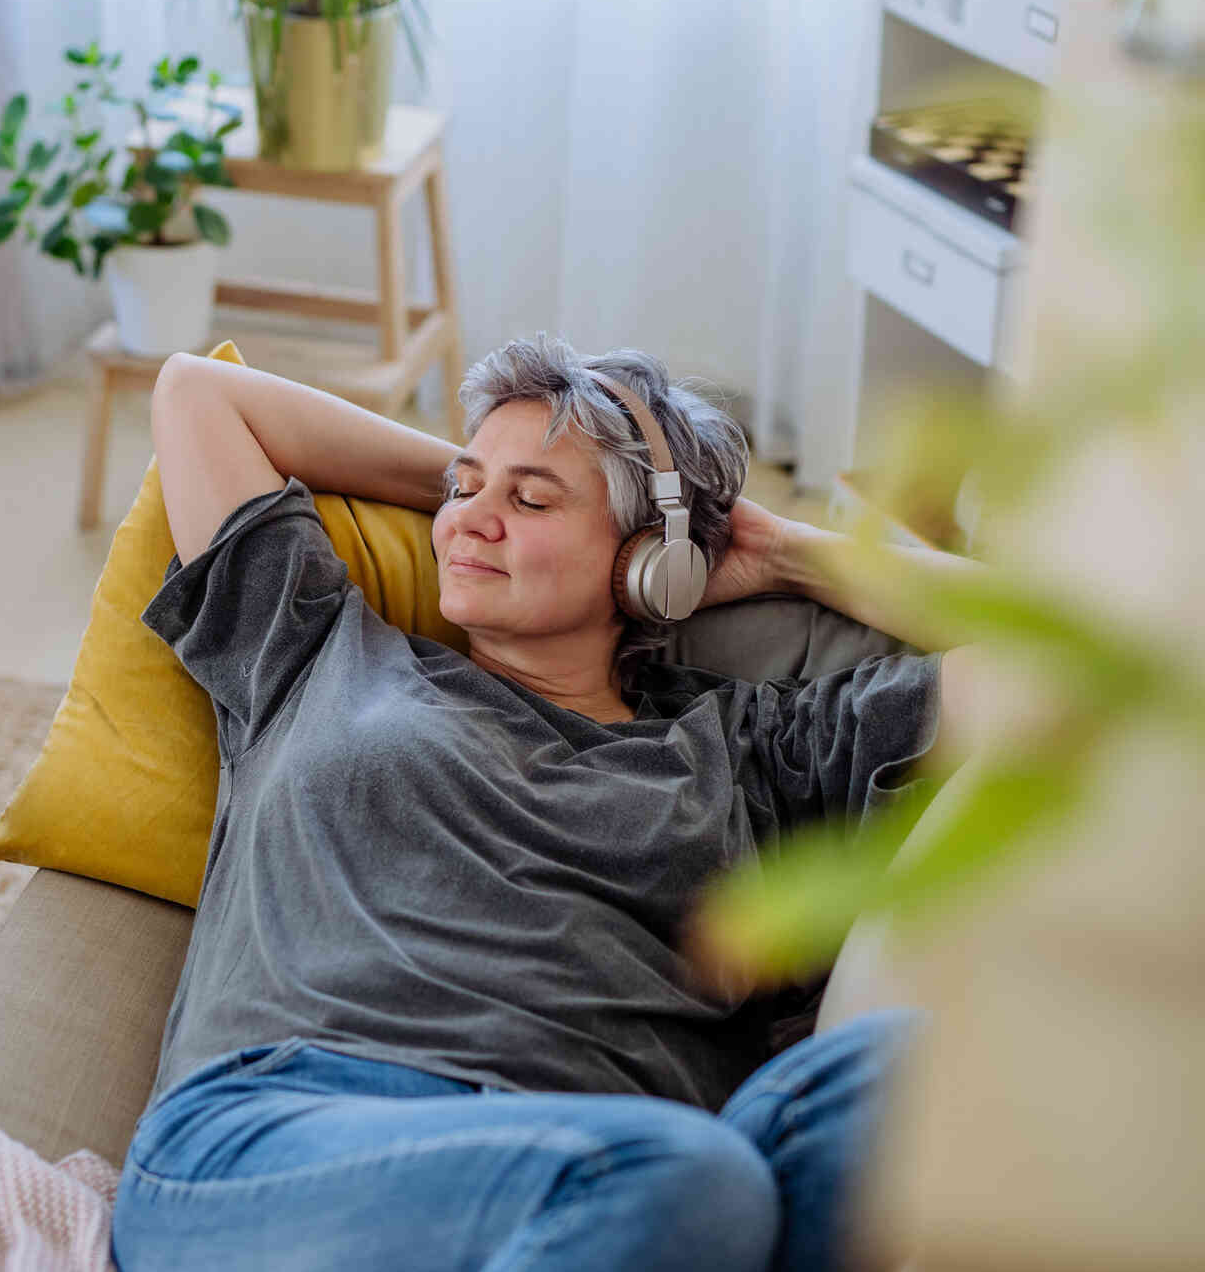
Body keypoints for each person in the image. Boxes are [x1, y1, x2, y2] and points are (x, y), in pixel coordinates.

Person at [109, 336, 981, 1272]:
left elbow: (1091, 664)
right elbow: (199, 394)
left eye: (530, 500)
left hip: (634, 1176)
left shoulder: (755, 750)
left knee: (902, 1067)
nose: (467, 522)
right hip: (285, 1128)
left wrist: (784, 552)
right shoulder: (316, 654)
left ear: (653, 562)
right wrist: (479, 483)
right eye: (463, 490)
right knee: (684, 1179)